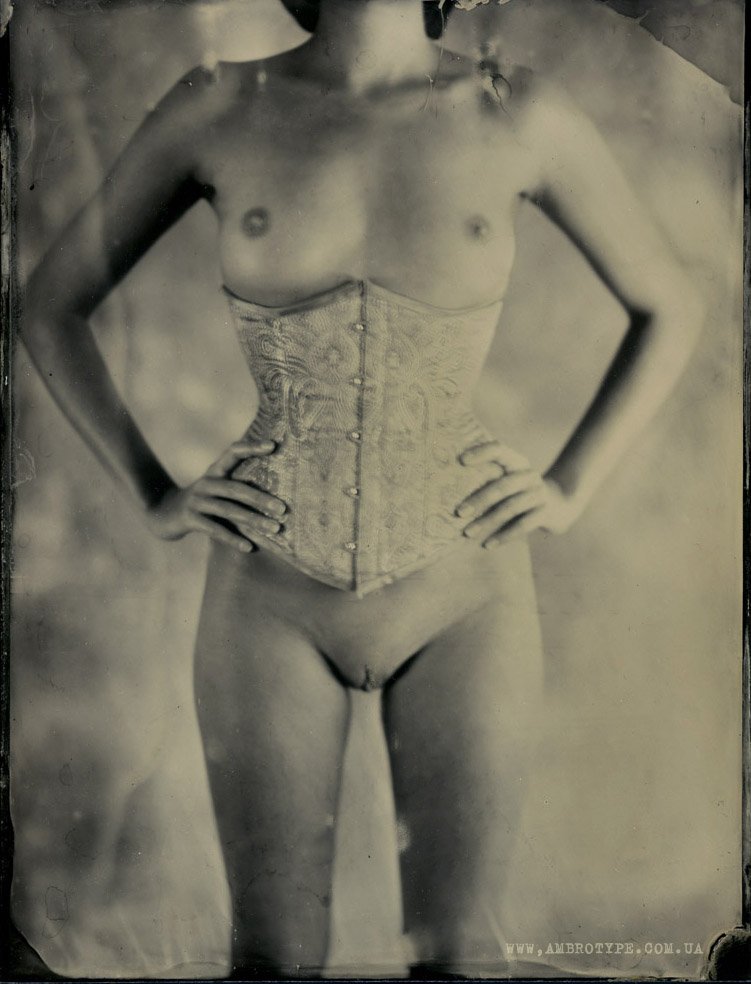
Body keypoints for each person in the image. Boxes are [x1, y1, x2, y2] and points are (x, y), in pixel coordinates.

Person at [21, 0, 706, 977]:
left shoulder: (515, 110)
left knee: (456, 960)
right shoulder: (217, 104)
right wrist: (154, 494)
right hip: (268, 596)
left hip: (464, 595)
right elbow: (49, 305)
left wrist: (569, 487)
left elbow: (670, 303)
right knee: (273, 963)